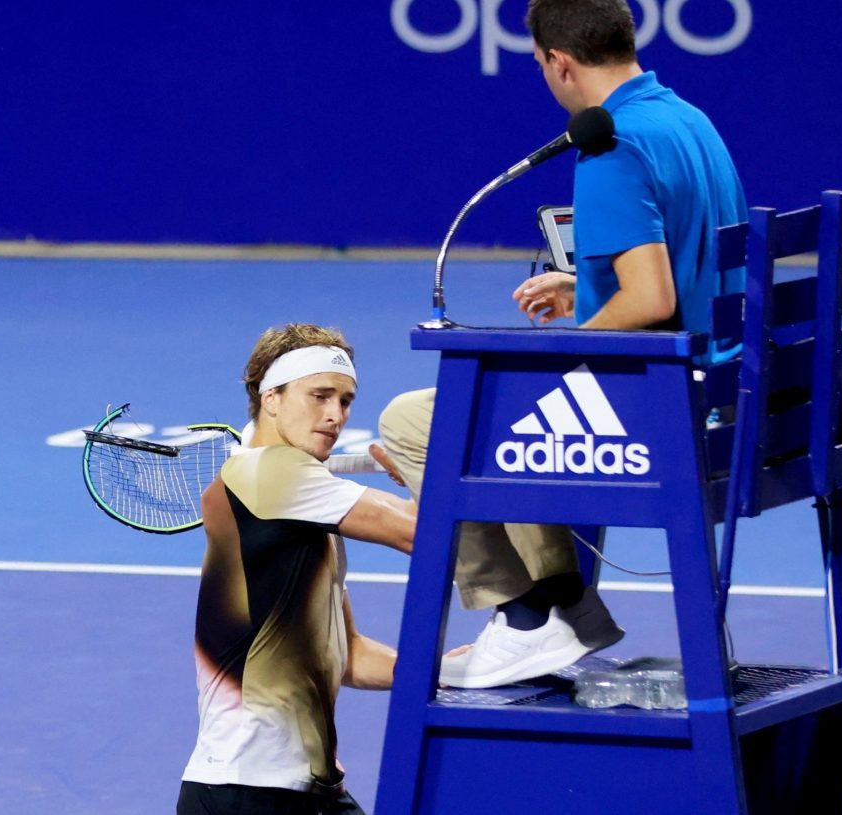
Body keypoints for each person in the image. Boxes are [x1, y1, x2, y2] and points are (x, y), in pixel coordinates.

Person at [379, 0, 748, 690]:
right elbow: (684, 268)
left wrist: (564, 344)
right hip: (727, 397)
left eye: (541, 67)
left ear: (559, 61)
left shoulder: (609, 144)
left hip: (664, 416)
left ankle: (529, 616)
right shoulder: (688, 120)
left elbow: (650, 301)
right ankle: (562, 607)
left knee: (416, 419)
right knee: (513, 397)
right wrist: (582, 283)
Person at [176, 324, 416, 815]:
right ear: (272, 398)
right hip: (248, 794)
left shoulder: (294, 500)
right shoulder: (270, 472)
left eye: (346, 401)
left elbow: (347, 657)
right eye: (319, 395)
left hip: (303, 792)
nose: (335, 415)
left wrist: (446, 674)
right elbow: (420, 534)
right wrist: (424, 468)